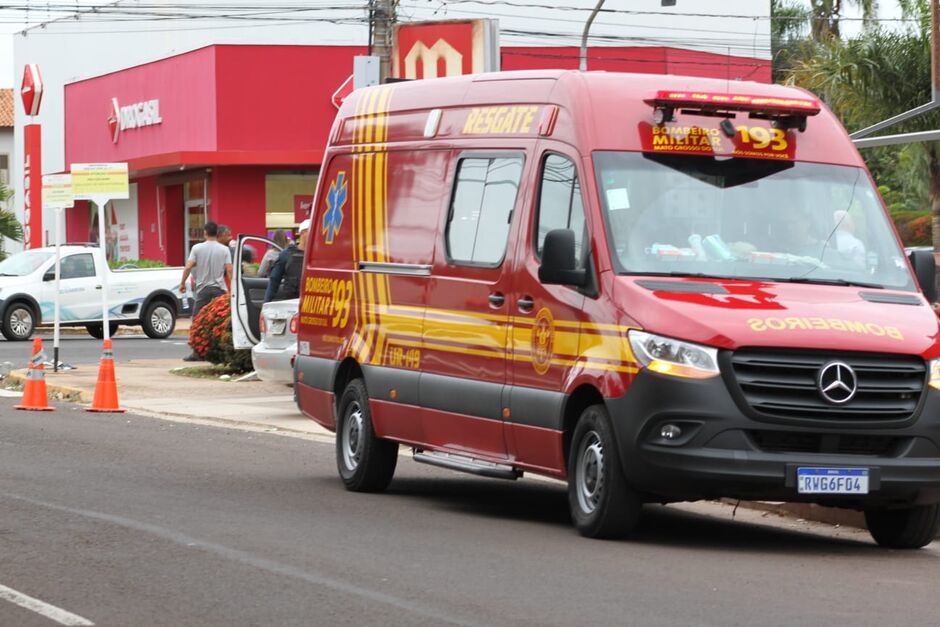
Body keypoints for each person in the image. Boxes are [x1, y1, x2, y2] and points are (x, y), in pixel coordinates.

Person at [179, 221, 233, 361]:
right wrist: (233, 288)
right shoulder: (224, 250)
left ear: (204, 233)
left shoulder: (197, 248)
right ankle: (224, 352)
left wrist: (182, 283)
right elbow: (229, 269)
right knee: (223, 321)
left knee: (197, 320)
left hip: (202, 290)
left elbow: (188, 266)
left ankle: (196, 353)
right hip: (219, 289)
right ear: (217, 233)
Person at [264, 219, 309, 303]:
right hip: (292, 303)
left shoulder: (319, 255)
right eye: (310, 231)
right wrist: (266, 303)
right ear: (302, 233)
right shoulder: (287, 254)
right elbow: (274, 280)